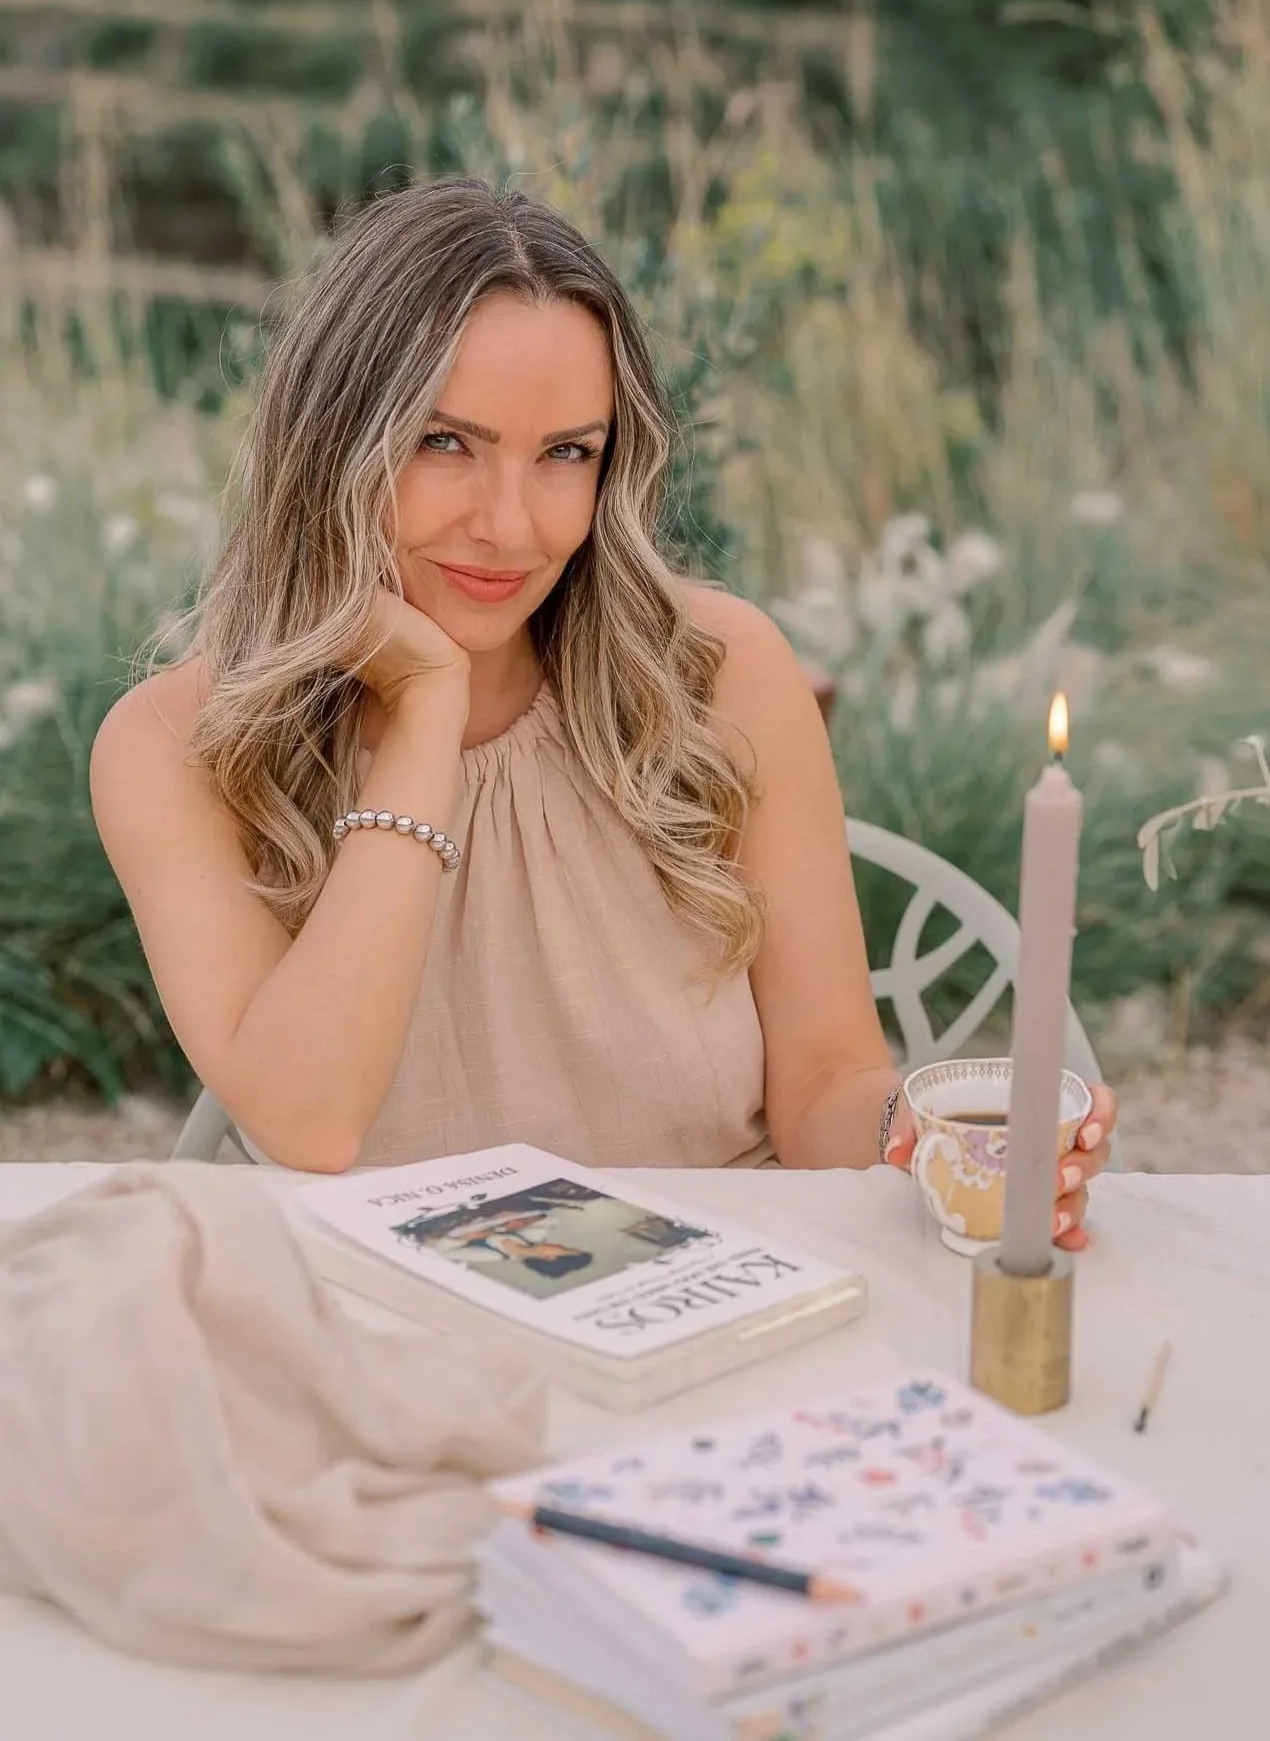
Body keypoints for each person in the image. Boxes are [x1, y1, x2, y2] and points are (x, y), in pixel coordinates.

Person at [90, 176, 1113, 1246]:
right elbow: (310, 1117)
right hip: (389, 1341)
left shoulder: (719, 672)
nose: (509, 525)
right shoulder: (176, 749)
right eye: (445, 442)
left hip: (728, 1298)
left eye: (565, 454)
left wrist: (924, 1132)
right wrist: (425, 708)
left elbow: (822, 1082)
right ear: (334, 441)